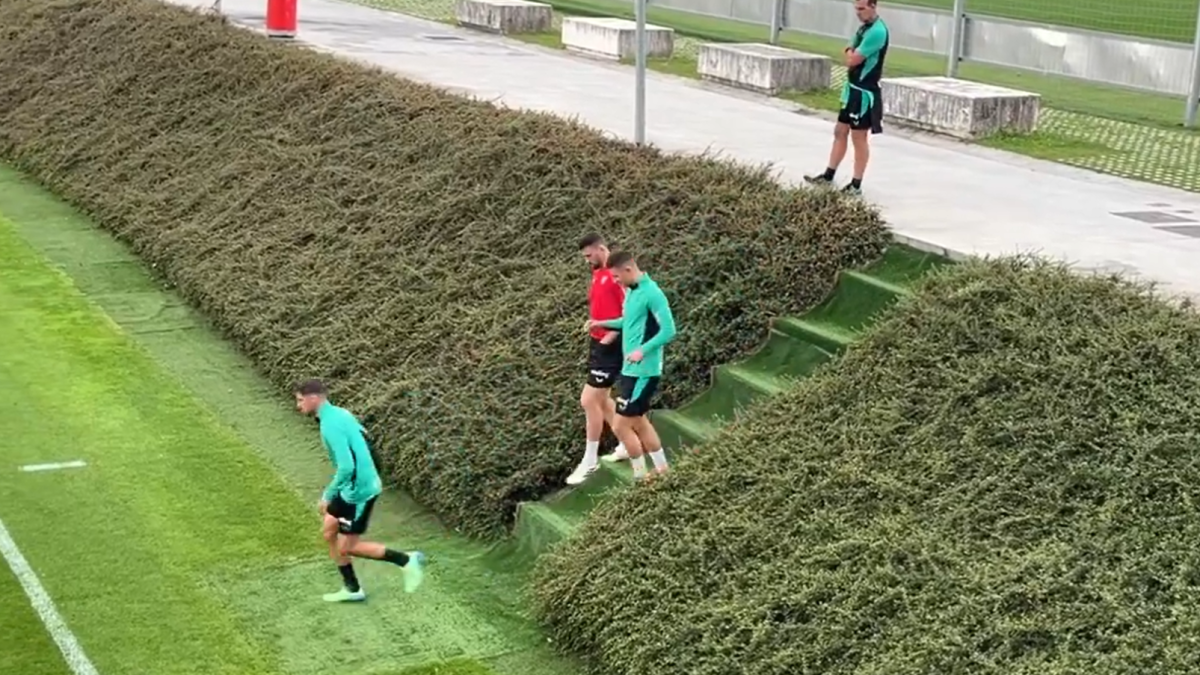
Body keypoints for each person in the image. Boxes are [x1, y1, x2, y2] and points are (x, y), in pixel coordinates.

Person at [293, 379, 425, 603]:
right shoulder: (340, 414)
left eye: (299, 400)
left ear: (313, 398)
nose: (298, 405)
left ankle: (405, 560)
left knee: (348, 547)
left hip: (358, 492)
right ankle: (352, 588)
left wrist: (328, 495)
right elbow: (367, 440)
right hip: (352, 487)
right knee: (329, 530)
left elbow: (346, 467)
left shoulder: (330, 424)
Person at [588, 250, 677, 481]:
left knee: (620, 425)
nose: (615, 282)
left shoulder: (653, 294)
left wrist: (642, 350)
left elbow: (669, 330)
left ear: (628, 269)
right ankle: (663, 471)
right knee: (639, 421)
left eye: (617, 277)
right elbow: (627, 322)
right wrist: (601, 323)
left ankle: (641, 477)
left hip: (644, 371)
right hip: (630, 370)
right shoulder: (630, 292)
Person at [804, 0, 890, 196]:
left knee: (859, 137)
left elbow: (852, 59)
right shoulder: (864, 29)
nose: (858, 13)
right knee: (840, 131)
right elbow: (849, 49)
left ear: (873, 6)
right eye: (856, 8)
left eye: (862, 9)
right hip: (851, 90)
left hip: (863, 93)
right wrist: (851, 51)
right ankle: (828, 175)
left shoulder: (877, 31)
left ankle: (856, 184)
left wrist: (850, 52)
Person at [567, 234, 630, 485]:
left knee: (588, 399)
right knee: (601, 400)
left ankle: (590, 460)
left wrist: (612, 334)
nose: (587, 260)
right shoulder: (597, 273)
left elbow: (631, 308)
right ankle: (626, 442)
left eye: (589, 255)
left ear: (601, 249)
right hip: (598, 342)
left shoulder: (617, 274)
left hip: (611, 345)